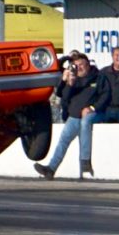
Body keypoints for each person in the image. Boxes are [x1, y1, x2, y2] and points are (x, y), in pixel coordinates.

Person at [33, 52, 105, 180]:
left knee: (85, 122)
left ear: (88, 64)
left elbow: (106, 95)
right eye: (76, 65)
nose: (79, 68)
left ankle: (85, 162)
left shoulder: (98, 77)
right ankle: (51, 169)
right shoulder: (73, 78)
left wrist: (93, 108)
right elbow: (63, 96)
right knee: (63, 140)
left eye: (82, 64)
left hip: (93, 113)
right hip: (74, 116)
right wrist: (68, 83)